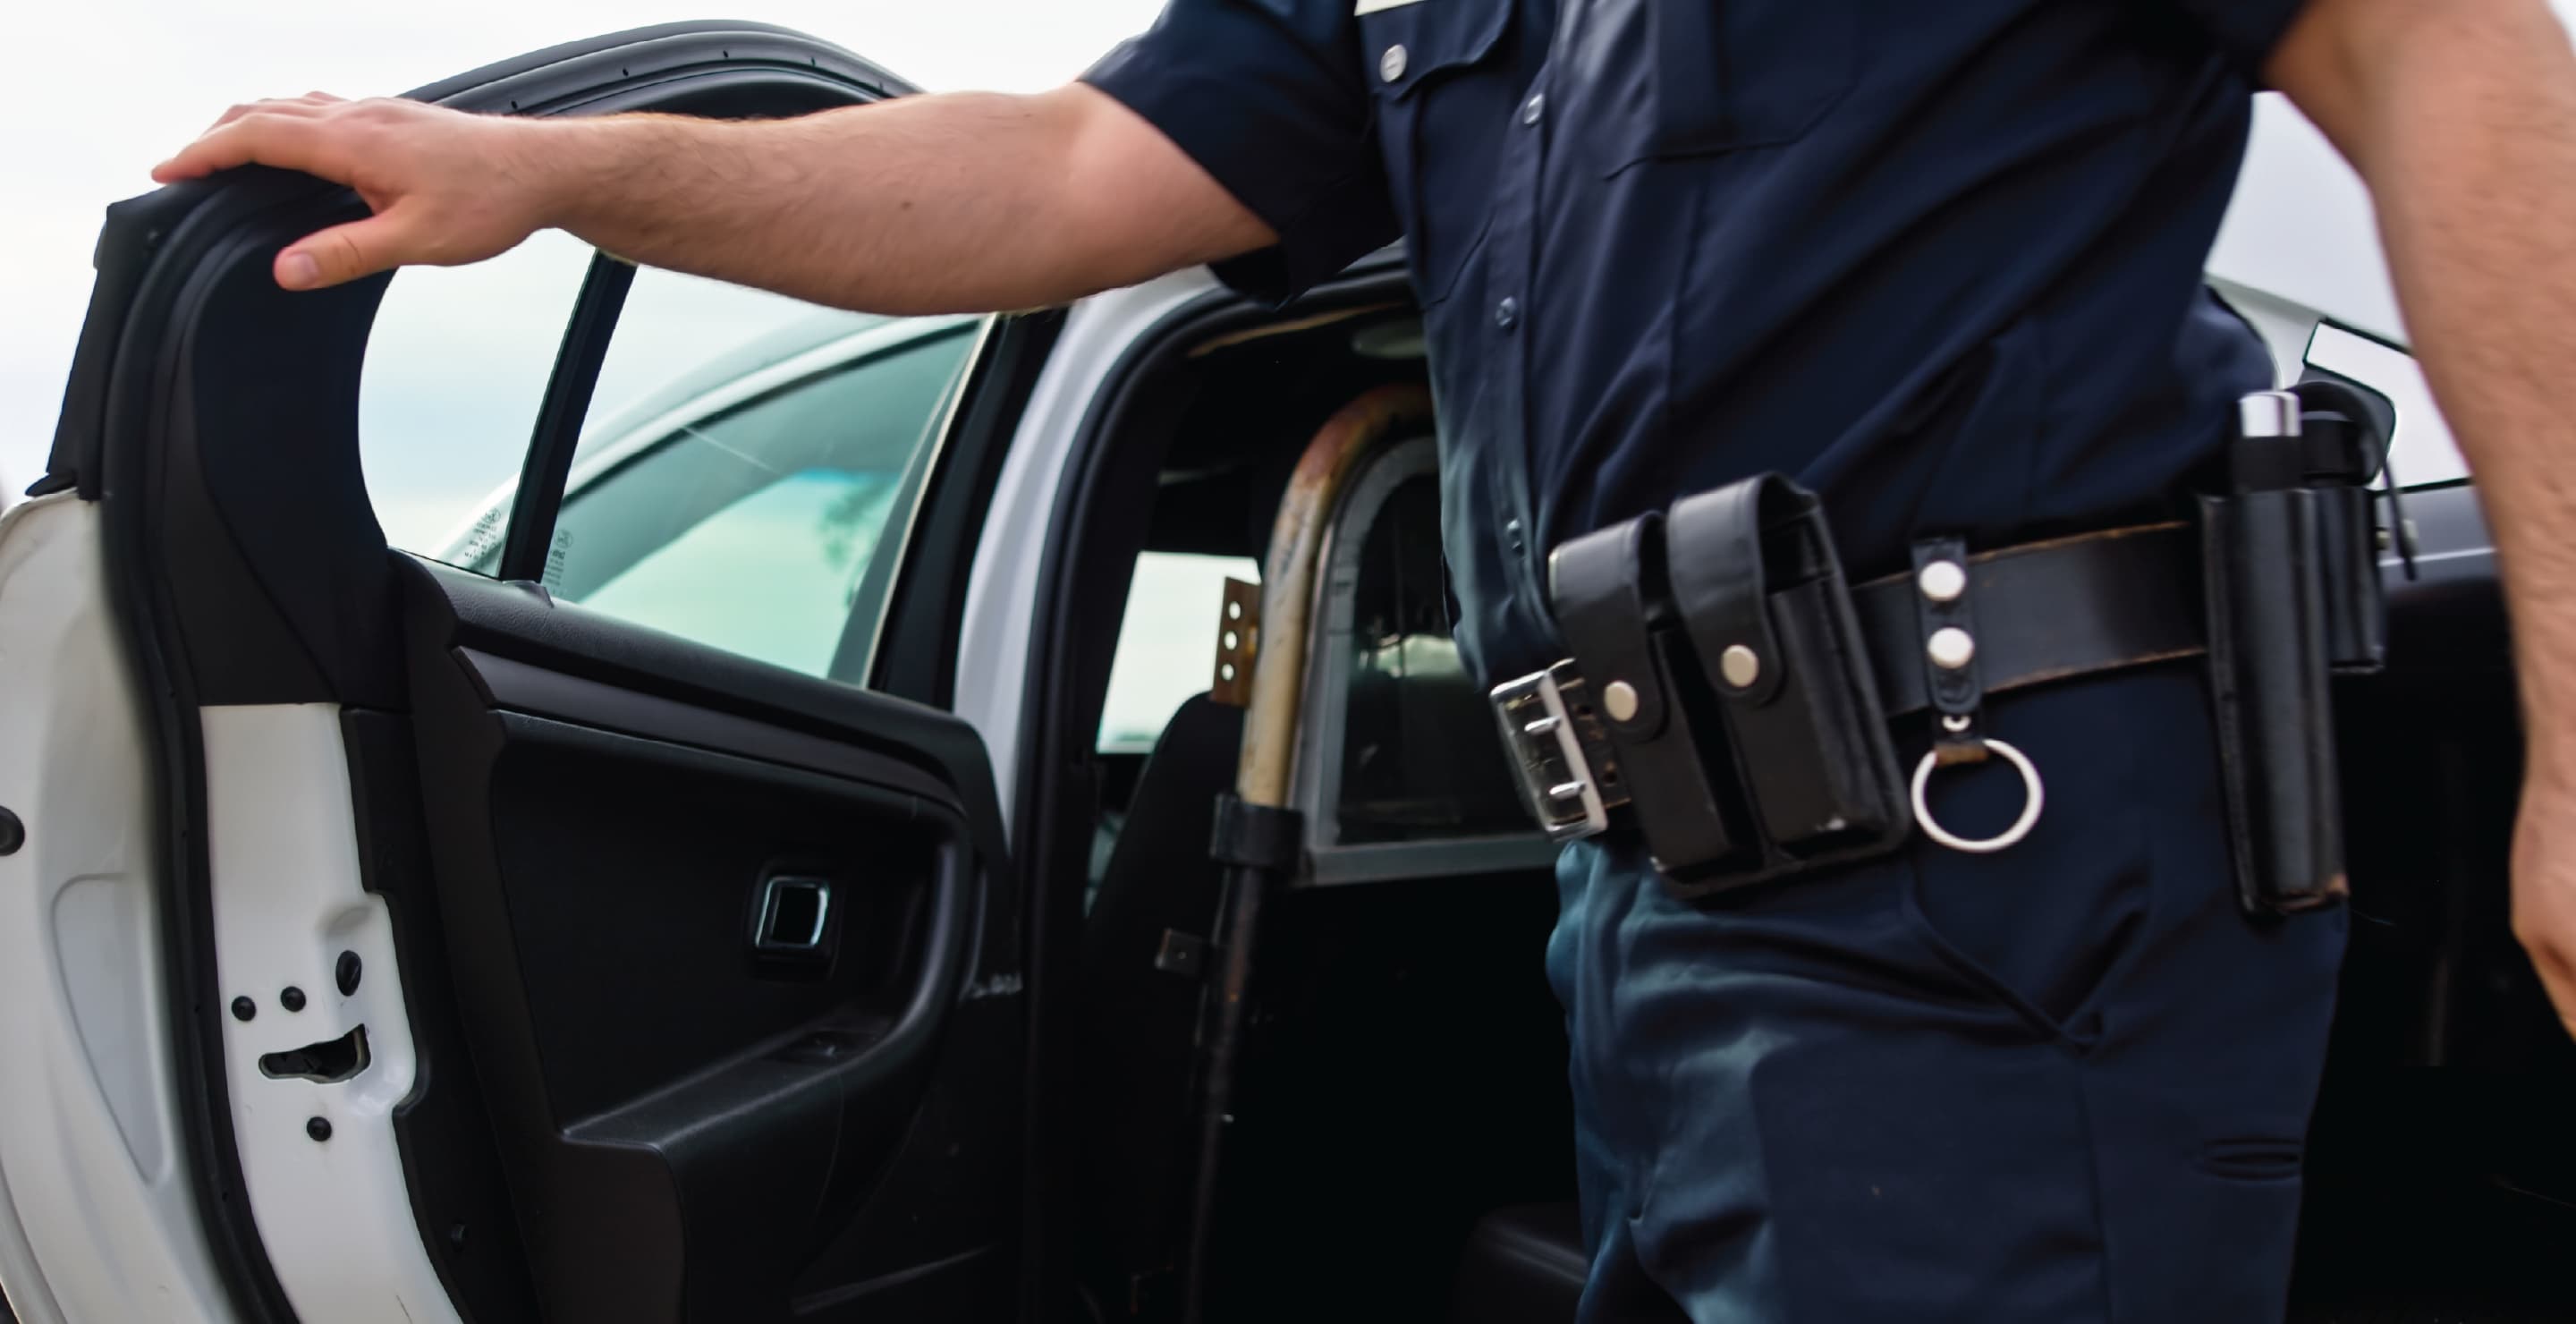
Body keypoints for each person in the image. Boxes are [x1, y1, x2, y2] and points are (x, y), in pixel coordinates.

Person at [154, 0, 2576, 1317]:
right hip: (1648, 912)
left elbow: (2440, 44)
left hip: (1994, 863)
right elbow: (1060, 179)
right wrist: (581, 171)